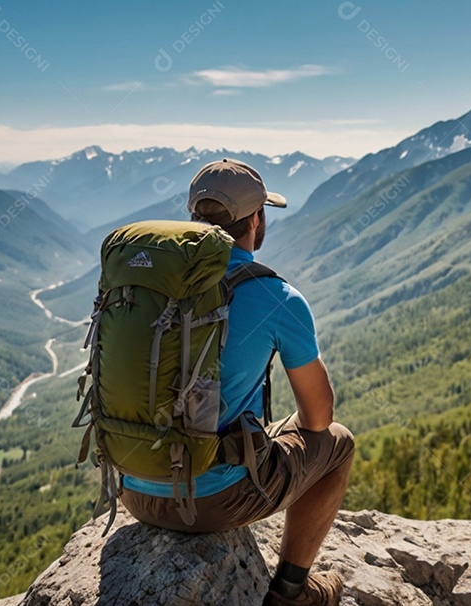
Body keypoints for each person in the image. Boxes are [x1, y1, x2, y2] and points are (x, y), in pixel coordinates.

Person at [120, 159, 354, 606]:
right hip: (211, 503)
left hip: (133, 489)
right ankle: (291, 593)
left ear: (193, 219)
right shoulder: (275, 296)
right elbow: (319, 419)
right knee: (338, 444)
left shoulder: (149, 280)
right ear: (257, 220)